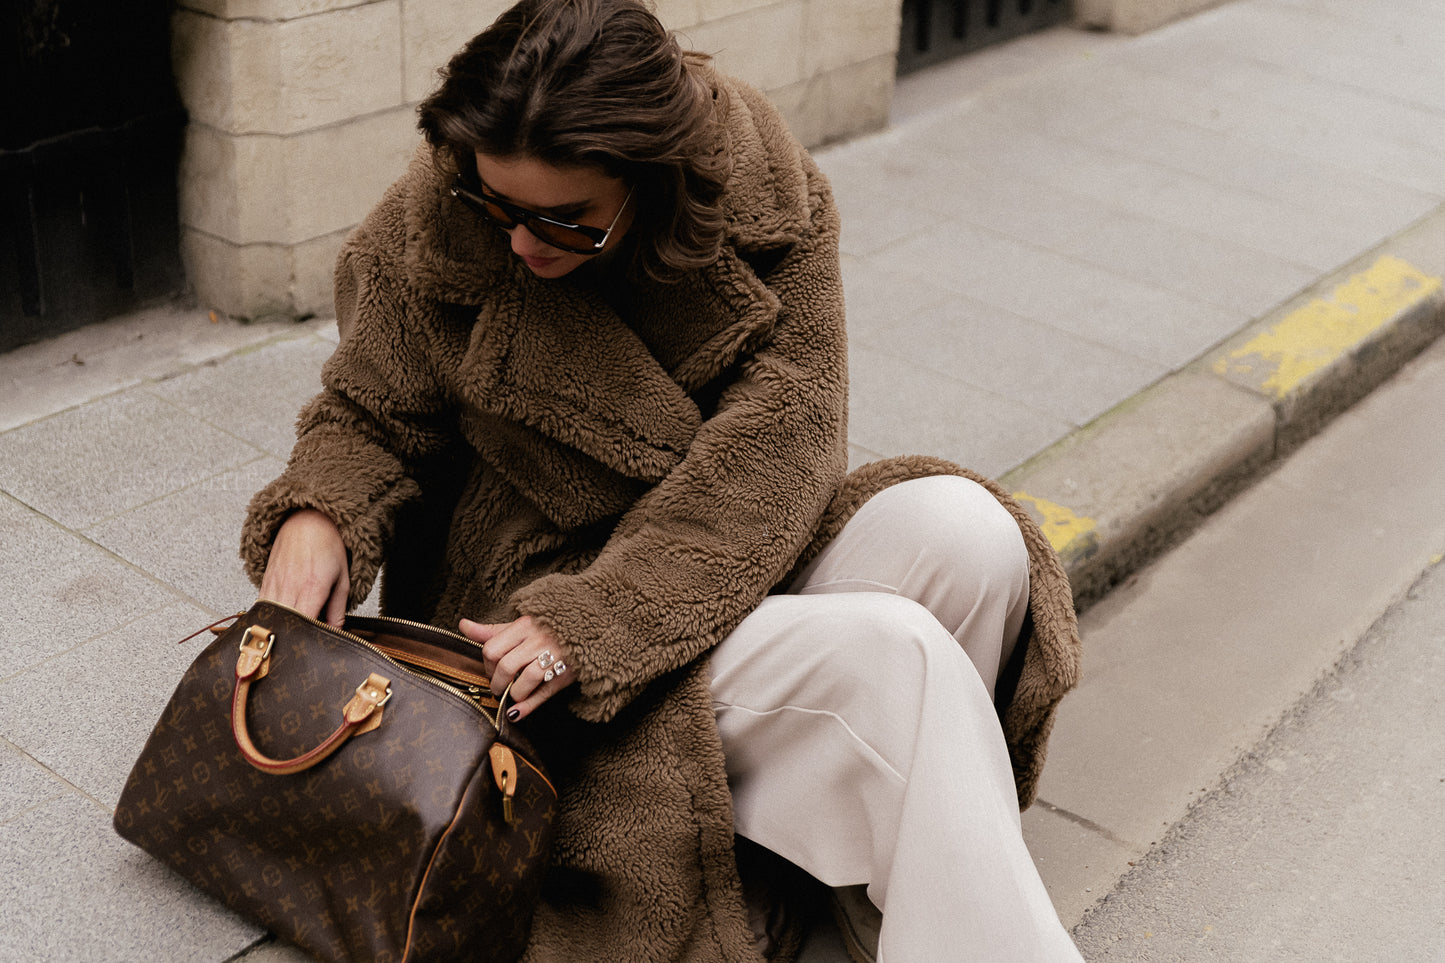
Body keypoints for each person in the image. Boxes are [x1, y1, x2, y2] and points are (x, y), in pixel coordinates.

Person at [243, 1, 1084, 959]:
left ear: (650, 183)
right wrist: (320, 509)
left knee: (966, 531)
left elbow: (787, 441)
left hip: (668, 580)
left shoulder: (770, 210)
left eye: (567, 221)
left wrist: (601, 618)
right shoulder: (431, 223)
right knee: (895, 657)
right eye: (498, 207)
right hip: (519, 636)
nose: (521, 242)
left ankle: (870, 880)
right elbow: (365, 410)